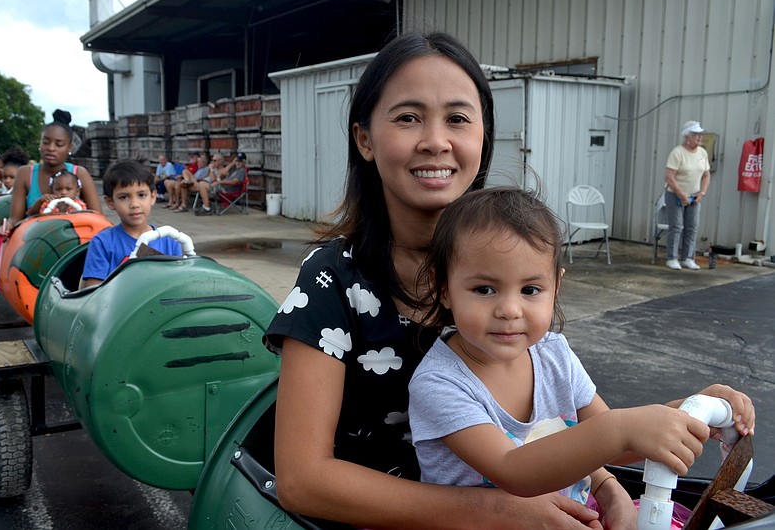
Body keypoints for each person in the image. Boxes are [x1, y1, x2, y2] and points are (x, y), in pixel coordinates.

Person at [262, 31, 756, 530]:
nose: (436, 140)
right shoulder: (333, 278)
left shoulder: (512, 272)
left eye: (458, 119)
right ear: (365, 139)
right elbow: (302, 480)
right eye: (408, 117)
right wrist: (495, 511)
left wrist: (678, 418)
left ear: (484, 137)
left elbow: (567, 429)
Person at [407, 186, 755, 529]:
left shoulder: (553, 354)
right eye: (484, 289)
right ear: (444, 289)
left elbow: (611, 446)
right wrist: (622, 429)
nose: (510, 310)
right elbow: (513, 469)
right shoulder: (440, 383)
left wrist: (684, 411)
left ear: (555, 287)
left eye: (530, 290)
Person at [81, 159, 183, 288]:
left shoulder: (170, 241)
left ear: (152, 197)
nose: (134, 204)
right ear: (110, 202)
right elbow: (94, 291)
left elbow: (179, 285)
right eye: (124, 197)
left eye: (141, 195)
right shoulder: (102, 243)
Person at [4, 109, 101, 232]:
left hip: (75, 239)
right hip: (34, 238)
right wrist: (7, 227)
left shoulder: (80, 173)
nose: (51, 148)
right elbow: (15, 219)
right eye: (45, 142)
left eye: (59, 144)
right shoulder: (25, 173)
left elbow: (97, 217)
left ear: (69, 148)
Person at [664, 120, 711, 271]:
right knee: (677, 226)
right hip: (675, 195)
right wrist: (681, 194)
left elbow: (706, 175)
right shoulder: (677, 153)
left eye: (701, 134)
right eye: (696, 134)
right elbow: (669, 177)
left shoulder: (702, 153)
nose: (700, 137)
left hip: (695, 196)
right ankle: (672, 258)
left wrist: (702, 193)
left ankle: (687, 258)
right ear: (687, 137)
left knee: (692, 227)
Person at [194, 152, 247, 216]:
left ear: (244, 162)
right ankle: (206, 206)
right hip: (222, 187)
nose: (238, 163)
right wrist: (232, 163)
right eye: (237, 161)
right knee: (202, 184)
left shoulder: (241, 171)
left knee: (202, 184)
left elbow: (234, 182)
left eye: (240, 161)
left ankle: (206, 208)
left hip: (227, 191)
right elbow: (223, 173)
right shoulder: (235, 170)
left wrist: (219, 182)